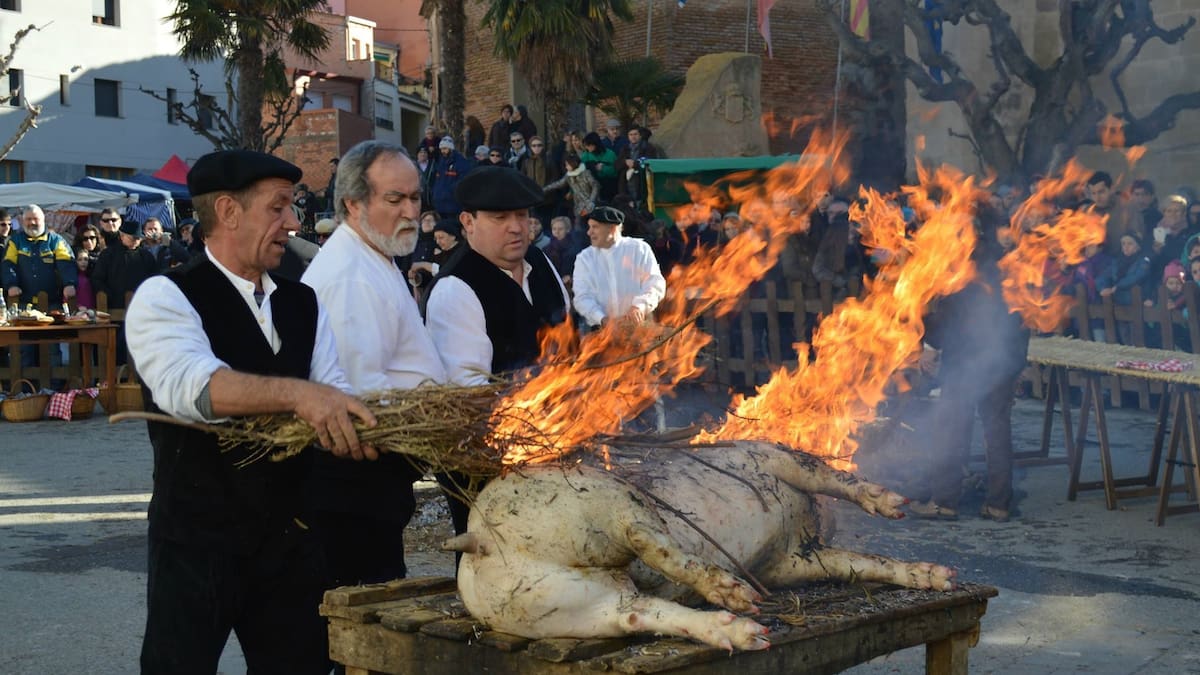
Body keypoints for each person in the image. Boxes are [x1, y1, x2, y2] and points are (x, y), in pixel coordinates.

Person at [126, 149, 378, 674]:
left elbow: (330, 390)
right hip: (198, 539)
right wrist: (299, 397)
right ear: (229, 212)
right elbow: (190, 389)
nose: (293, 222)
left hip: (289, 536)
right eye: (278, 207)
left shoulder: (301, 302)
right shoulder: (166, 296)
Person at [301, 140, 447, 587]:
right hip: (357, 482)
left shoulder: (376, 256)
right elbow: (359, 397)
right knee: (361, 615)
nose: (409, 211)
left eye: (415, 197)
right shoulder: (349, 276)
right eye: (394, 199)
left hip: (377, 482)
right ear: (353, 204)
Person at [424, 166, 571, 534]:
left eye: (522, 215)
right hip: (486, 464)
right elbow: (471, 395)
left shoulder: (540, 263)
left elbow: (568, 340)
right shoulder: (456, 288)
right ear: (467, 222)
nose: (516, 227)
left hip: (554, 445)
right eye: (500, 217)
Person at [911, 205, 1029, 522]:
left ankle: (944, 501)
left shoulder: (960, 266)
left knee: (952, 426)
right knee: (997, 428)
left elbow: (948, 313)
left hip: (967, 357)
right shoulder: (1009, 261)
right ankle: (998, 503)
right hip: (1005, 355)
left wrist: (932, 348)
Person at [571, 205, 666, 330]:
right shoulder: (585, 258)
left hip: (640, 328)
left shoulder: (639, 249)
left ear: (612, 228)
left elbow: (655, 284)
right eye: (589, 227)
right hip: (601, 332)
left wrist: (639, 306)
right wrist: (602, 319)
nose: (589, 232)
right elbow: (582, 297)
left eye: (595, 227)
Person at [3, 205, 77, 311]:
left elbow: (67, 263)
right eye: (28, 219)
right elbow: (8, 264)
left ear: (43, 220)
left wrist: (69, 283)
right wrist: (11, 285)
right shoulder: (15, 241)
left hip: (52, 303)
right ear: (23, 221)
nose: (32, 222)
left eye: (35, 219)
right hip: (23, 303)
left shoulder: (56, 241)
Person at [544, 154, 600, 227]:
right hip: (579, 206)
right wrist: (545, 189)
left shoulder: (586, 173)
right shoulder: (569, 175)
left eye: (567, 164)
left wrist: (591, 201)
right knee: (578, 226)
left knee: (593, 223)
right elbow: (559, 184)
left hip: (590, 205)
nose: (566, 166)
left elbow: (595, 186)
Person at [431, 136, 471, 219]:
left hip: (453, 206)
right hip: (439, 205)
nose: (443, 151)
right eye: (441, 149)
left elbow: (463, 181)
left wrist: (449, 192)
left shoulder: (461, 162)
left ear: (451, 148)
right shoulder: (441, 162)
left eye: (445, 149)